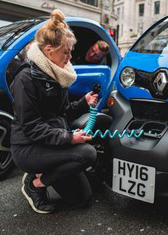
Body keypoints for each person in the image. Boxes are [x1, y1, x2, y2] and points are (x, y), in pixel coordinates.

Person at [10, 9, 99, 214]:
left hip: (52, 141)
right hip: (28, 146)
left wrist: (84, 103)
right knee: (87, 153)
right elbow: (31, 127)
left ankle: (46, 172)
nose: (70, 57)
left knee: (81, 199)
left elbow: (63, 112)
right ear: (49, 50)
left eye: (70, 51)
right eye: (65, 52)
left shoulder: (56, 73)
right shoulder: (26, 78)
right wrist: (69, 138)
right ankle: (35, 184)